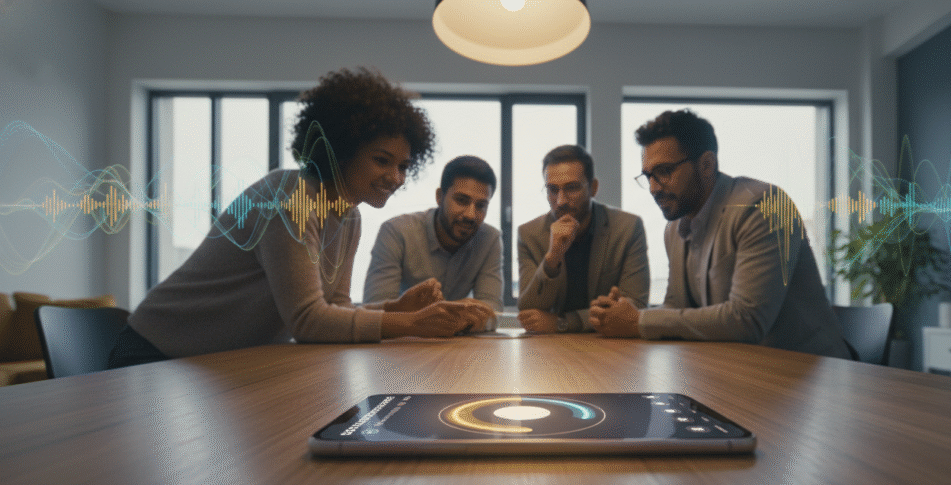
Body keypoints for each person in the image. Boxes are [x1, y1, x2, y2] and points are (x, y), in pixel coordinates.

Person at [108, 67, 489, 368]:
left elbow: (333, 308)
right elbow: (308, 321)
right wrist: (412, 324)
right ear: (341, 150)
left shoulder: (348, 216)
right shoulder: (290, 198)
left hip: (209, 365)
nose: (396, 178)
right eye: (381, 160)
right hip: (153, 355)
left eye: (404, 166)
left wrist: (398, 309)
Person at [589, 109, 851, 359]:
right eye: (648, 176)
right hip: (741, 370)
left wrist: (639, 321)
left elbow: (748, 319)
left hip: (813, 375)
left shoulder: (763, 206)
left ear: (706, 164)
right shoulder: (674, 228)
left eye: (665, 172)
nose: (654, 188)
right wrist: (624, 315)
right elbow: (676, 306)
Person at [517, 144, 649, 333]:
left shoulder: (627, 228)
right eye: (552, 190)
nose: (561, 201)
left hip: (611, 346)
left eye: (571, 188)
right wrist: (553, 257)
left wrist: (563, 322)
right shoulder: (529, 234)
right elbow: (528, 312)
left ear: (593, 188)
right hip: (551, 349)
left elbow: (636, 306)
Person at [363, 155, 502, 331]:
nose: (470, 214)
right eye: (461, 200)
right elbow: (375, 309)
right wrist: (465, 311)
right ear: (439, 197)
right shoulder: (396, 231)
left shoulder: (490, 238)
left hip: (458, 346)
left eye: (481, 205)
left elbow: (493, 311)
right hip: (402, 343)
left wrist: (457, 317)